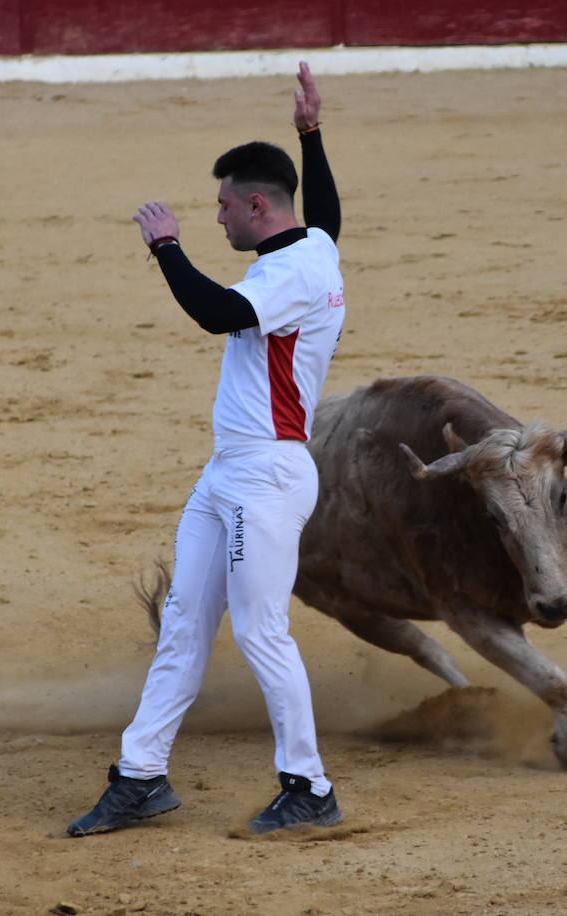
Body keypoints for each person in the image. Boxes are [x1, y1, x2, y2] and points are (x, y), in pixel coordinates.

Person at [67, 62, 345, 837]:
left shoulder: (287, 275)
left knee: (262, 632)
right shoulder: (313, 250)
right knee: (186, 623)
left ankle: (311, 788)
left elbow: (217, 312)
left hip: (268, 473)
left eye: (225, 205)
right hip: (230, 471)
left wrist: (165, 248)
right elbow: (322, 212)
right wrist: (310, 132)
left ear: (257, 206)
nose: (217, 218)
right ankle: (141, 775)